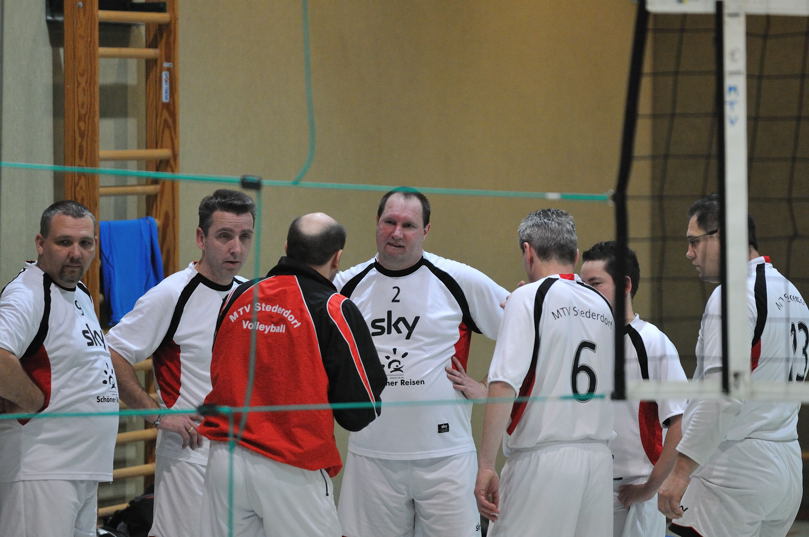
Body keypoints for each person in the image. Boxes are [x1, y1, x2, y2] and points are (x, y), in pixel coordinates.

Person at [198, 212, 387, 537]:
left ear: (286, 247)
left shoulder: (237, 295)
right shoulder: (334, 309)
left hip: (223, 463)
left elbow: (219, 366)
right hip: (292, 466)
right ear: (337, 257)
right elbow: (359, 411)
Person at [335, 187, 508, 537]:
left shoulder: (458, 279)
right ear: (377, 222)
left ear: (426, 230)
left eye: (409, 225)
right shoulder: (346, 286)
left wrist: (488, 388)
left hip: (445, 457)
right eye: (390, 222)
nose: (397, 233)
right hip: (372, 456)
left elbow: (525, 331)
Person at [105, 189, 255, 537]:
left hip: (244, 452)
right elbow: (112, 354)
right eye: (224, 236)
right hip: (190, 454)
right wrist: (157, 415)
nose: (236, 248)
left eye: (245, 236)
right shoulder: (171, 294)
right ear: (201, 238)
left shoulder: (251, 294)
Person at [659, 194, 807, 537]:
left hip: (734, 469)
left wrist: (680, 471)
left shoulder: (734, 295)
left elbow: (722, 395)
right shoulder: (793, 294)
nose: (688, 253)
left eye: (694, 241)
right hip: (785, 468)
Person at [475, 208, 615, 537]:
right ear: (576, 255)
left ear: (528, 251)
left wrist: (485, 465)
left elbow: (503, 385)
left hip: (542, 460)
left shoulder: (526, 298)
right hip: (598, 462)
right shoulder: (603, 306)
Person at [0, 200, 119, 537]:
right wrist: (34, 400)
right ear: (41, 243)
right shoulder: (27, 295)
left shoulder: (79, 292)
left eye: (85, 243)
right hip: (42, 469)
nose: (76, 253)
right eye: (64, 242)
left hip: (82, 467)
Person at [581, 241, 687, 537]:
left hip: (631, 492)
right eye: (582, 285)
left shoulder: (653, 342)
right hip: (587, 484)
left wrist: (650, 488)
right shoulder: (582, 340)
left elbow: (679, 423)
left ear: (625, 285)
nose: (587, 293)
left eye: (595, 284)